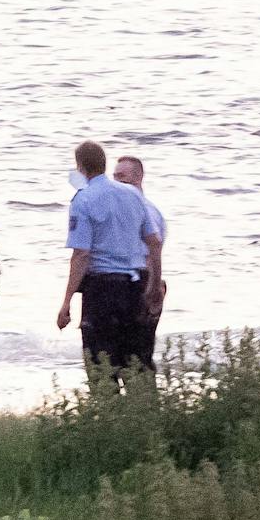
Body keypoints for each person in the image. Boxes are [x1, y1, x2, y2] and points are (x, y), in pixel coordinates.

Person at [57, 139, 162, 384]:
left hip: (103, 289)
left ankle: (108, 406)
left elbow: (81, 255)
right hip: (136, 285)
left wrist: (67, 301)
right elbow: (154, 243)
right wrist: (154, 284)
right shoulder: (133, 195)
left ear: (81, 167)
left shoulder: (83, 199)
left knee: (101, 366)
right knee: (137, 364)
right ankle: (143, 407)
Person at [114, 155, 167, 373]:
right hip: (130, 285)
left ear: (138, 178)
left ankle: (142, 394)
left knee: (138, 358)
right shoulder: (124, 209)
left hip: (143, 285)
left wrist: (152, 289)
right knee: (121, 354)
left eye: (122, 176)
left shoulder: (147, 210)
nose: (117, 182)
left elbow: (152, 251)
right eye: (114, 177)